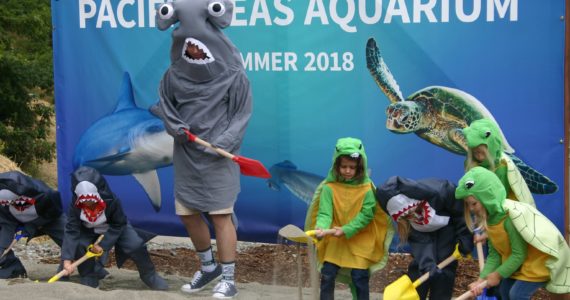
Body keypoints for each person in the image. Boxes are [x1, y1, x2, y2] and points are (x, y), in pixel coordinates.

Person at [152, 0, 252, 298]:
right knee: (187, 213)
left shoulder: (233, 76)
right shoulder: (172, 77)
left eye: (197, 45)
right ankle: (209, 268)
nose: (193, 51)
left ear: (209, 45)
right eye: (188, 47)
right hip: (186, 153)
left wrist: (224, 142)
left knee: (221, 215)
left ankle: (229, 279)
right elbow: (166, 106)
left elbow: (242, 114)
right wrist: (176, 127)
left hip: (219, 156)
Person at [455, 166, 570, 299]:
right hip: (521, 264)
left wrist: (497, 275)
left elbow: (519, 254)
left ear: (487, 196)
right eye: (468, 205)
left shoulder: (509, 219)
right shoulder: (491, 220)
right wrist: (480, 280)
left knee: (517, 295)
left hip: (537, 262)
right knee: (503, 291)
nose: (471, 209)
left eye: (474, 203)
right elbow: (495, 255)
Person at [305, 137, 393, 300]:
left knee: (360, 277)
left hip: (360, 240)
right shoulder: (329, 188)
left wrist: (347, 229)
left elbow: (367, 215)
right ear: (336, 166)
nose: (347, 171)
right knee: (327, 274)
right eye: (343, 166)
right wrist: (321, 228)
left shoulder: (366, 189)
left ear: (360, 167)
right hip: (336, 242)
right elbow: (325, 213)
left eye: (352, 167)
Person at [60, 166, 168, 290]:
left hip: (115, 226)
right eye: (84, 202)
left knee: (135, 245)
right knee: (80, 244)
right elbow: (72, 230)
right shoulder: (74, 206)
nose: (88, 205)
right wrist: (67, 259)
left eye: (91, 201)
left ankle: (149, 274)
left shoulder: (112, 200)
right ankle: (88, 275)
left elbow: (119, 223)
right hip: (88, 229)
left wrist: (103, 245)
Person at [376, 176, 474, 300]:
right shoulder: (407, 221)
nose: (414, 216)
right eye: (407, 216)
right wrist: (428, 264)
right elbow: (420, 241)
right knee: (422, 268)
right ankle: (417, 294)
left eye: (412, 212)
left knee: (444, 265)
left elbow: (461, 214)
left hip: (447, 223)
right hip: (425, 233)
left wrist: (465, 237)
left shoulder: (441, 192)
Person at [0, 171, 66, 278]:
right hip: (16, 220)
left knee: (73, 242)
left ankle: (87, 272)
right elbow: (5, 222)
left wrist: (30, 227)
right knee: (1, 246)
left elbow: (54, 211)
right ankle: (14, 270)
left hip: (48, 219)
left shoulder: (44, 193)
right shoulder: (3, 203)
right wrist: (2, 246)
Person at [463, 118, 535, 206]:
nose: (477, 154)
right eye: (474, 151)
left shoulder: (501, 167)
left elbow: (498, 201)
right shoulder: (471, 165)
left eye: (480, 150)